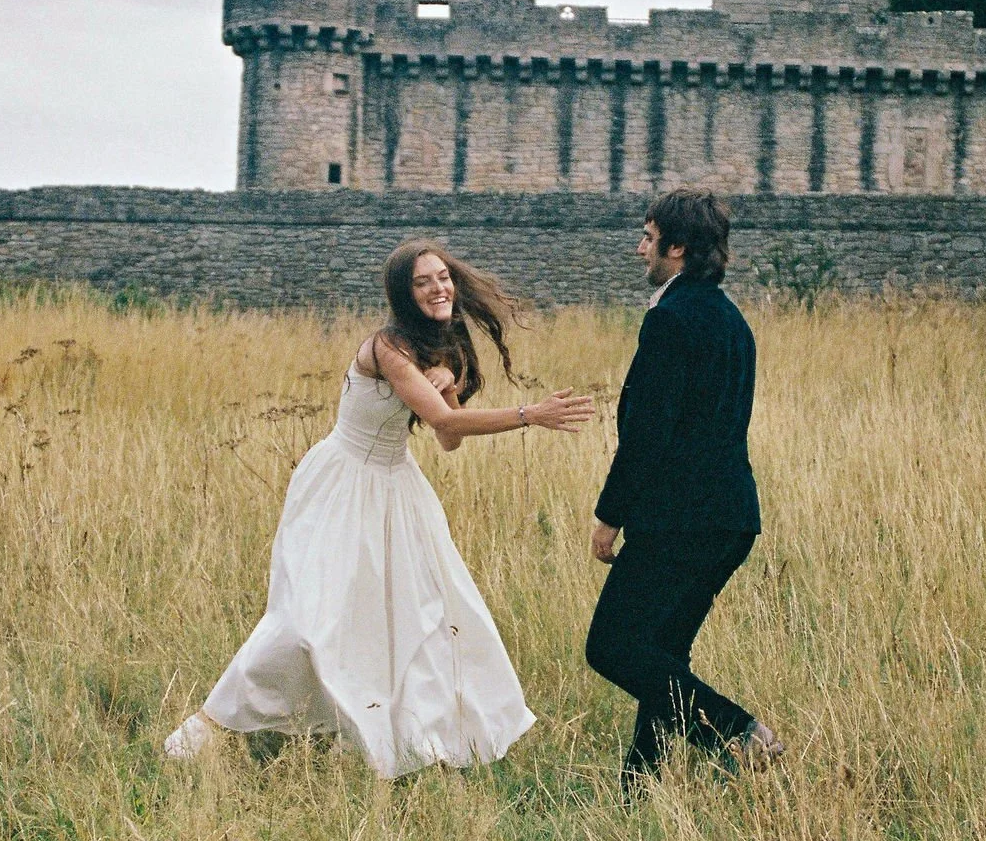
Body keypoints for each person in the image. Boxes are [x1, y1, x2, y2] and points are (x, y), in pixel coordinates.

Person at [165, 239, 595, 778]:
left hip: (397, 488)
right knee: (307, 620)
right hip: (342, 485)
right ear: (403, 294)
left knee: (420, 613)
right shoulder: (387, 347)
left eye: (443, 277)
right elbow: (443, 425)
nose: (439, 288)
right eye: (424, 282)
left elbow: (448, 438)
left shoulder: (438, 347)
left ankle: (404, 737)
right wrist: (530, 413)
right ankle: (206, 727)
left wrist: (449, 384)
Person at [587, 188, 782, 788]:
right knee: (664, 651)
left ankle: (740, 734)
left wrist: (609, 515)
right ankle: (638, 789)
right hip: (730, 517)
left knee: (613, 648)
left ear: (677, 247)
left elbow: (648, 433)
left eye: (648, 238)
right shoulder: (731, 320)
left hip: (681, 520)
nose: (639, 248)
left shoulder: (669, 320)